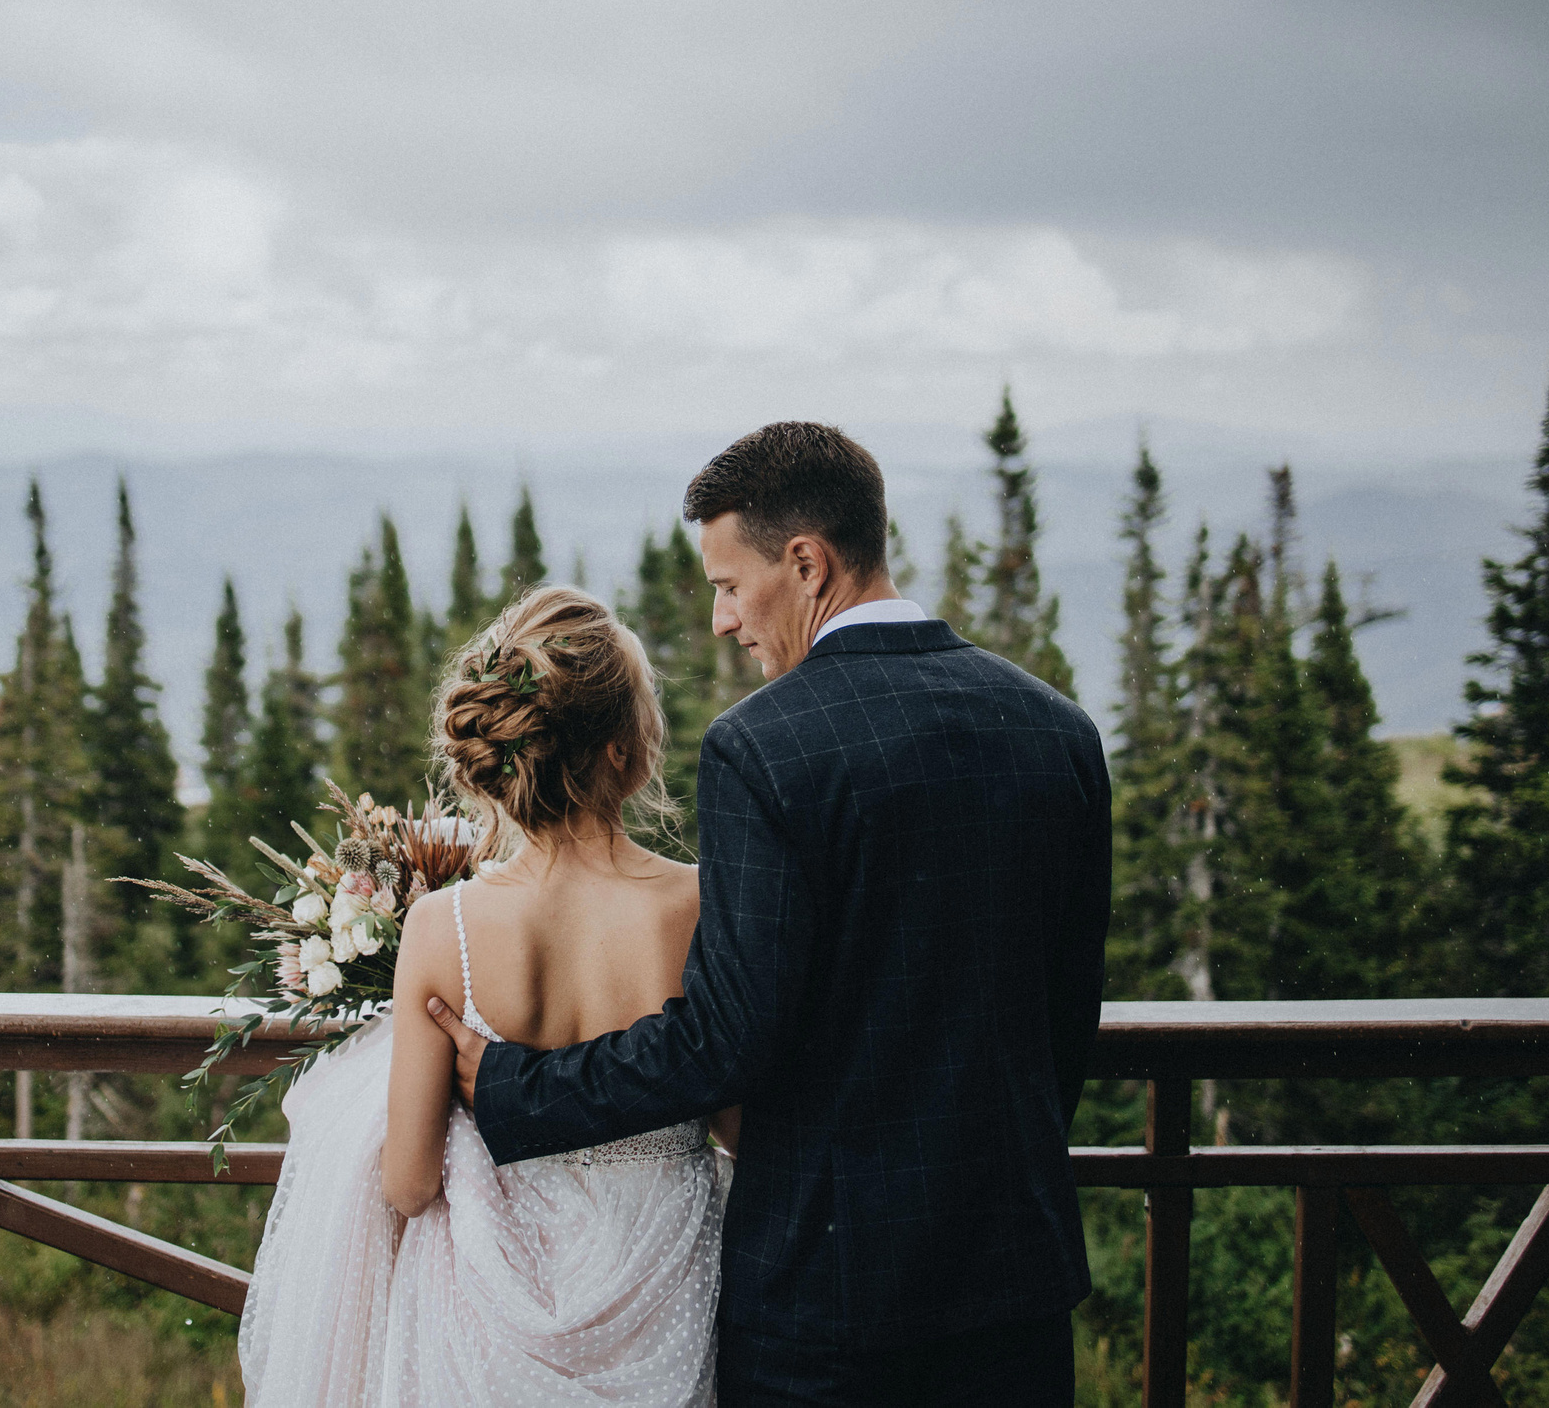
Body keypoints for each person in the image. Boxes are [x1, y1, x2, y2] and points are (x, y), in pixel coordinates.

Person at [430, 421, 1112, 1407]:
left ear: (806, 562)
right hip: (1015, 1283)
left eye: (726, 583)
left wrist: (517, 1088)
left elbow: (724, 1040)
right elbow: (1065, 1015)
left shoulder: (765, 746)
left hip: (827, 1303)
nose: (721, 619)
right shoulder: (1056, 728)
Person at [237, 585, 730, 1408]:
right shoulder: (700, 905)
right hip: (667, 1299)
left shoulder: (445, 926)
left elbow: (408, 1183)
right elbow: (737, 1119)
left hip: (490, 1318)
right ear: (624, 748)